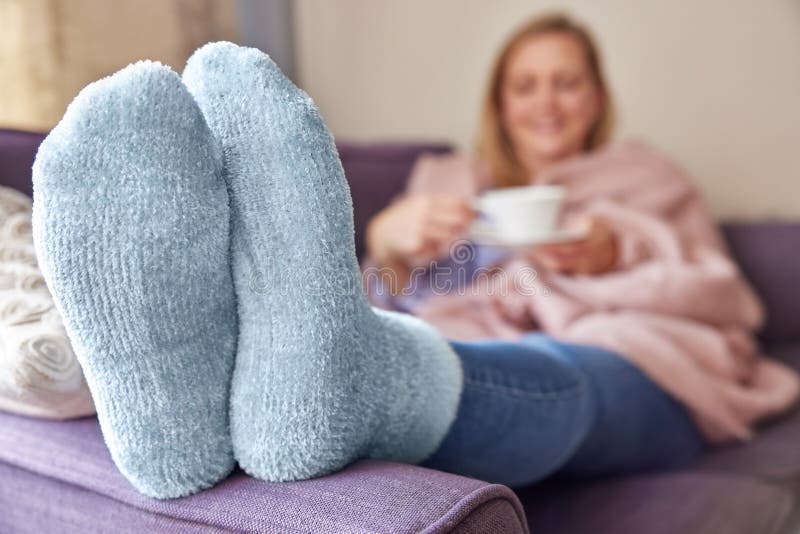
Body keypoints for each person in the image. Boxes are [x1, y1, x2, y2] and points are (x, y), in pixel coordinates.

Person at [30, 24, 797, 501]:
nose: (548, 103)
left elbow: (726, 301)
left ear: (597, 97)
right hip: (450, 337)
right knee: (364, 333)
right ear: (499, 102)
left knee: (561, 369)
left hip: (629, 366)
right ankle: (179, 423)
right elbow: (367, 298)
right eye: (526, 85)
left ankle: (365, 387)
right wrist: (390, 248)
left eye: (568, 82)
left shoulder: (644, 176)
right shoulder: (446, 183)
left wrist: (620, 247)